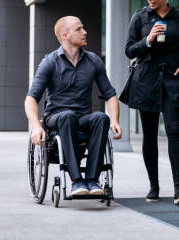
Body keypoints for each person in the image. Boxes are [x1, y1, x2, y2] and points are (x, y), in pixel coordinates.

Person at [25, 16, 122, 196]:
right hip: (56, 119)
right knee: (67, 115)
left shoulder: (93, 61)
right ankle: (76, 181)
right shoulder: (50, 61)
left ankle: (92, 181)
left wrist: (114, 120)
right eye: (79, 29)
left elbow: (110, 94)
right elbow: (31, 98)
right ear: (65, 35)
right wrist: (36, 126)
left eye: (83, 28)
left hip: (83, 118)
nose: (85, 32)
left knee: (101, 118)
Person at [125, 0, 179, 205]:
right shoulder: (140, 17)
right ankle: (153, 187)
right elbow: (129, 50)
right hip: (147, 82)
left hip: (173, 82)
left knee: (175, 133)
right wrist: (148, 40)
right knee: (149, 136)